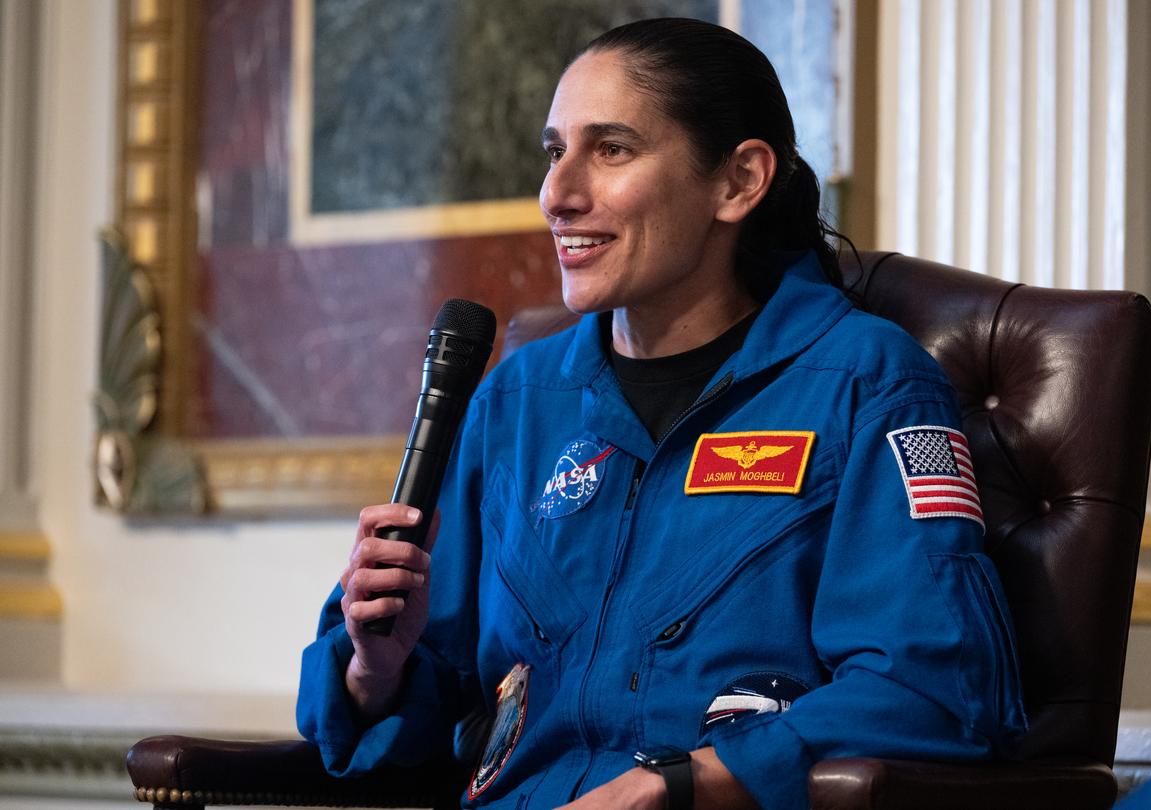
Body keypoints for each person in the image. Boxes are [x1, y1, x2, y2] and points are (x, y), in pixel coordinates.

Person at [298, 18, 1027, 810]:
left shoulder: (864, 382)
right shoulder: (517, 400)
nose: (557, 195)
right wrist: (376, 669)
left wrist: (685, 784)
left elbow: (935, 688)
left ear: (739, 181)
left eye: (611, 149)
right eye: (554, 151)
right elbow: (428, 707)